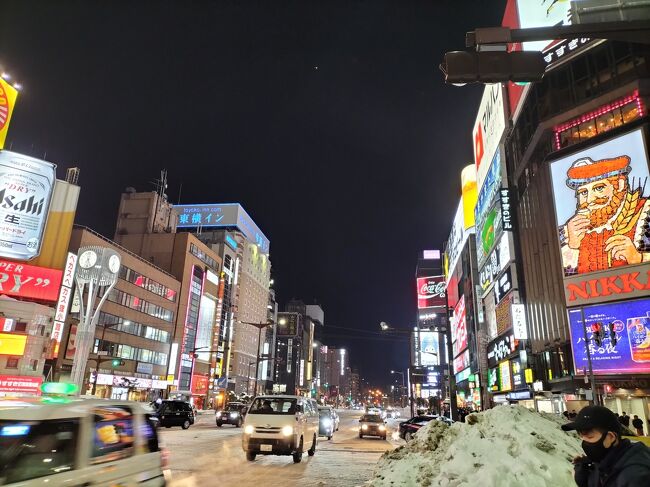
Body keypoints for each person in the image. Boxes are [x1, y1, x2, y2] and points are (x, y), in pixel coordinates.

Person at [559, 154, 650, 275]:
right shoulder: (566, 232)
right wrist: (572, 247)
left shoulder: (645, 212)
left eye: (599, 188)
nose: (590, 199)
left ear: (620, 184)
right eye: (583, 192)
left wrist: (638, 258)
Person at [562, 405, 650, 486]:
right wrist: (585, 473)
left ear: (611, 437)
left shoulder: (634, 476)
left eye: (589, 437)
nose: (584, 442)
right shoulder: (606, 458)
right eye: (581, 436)